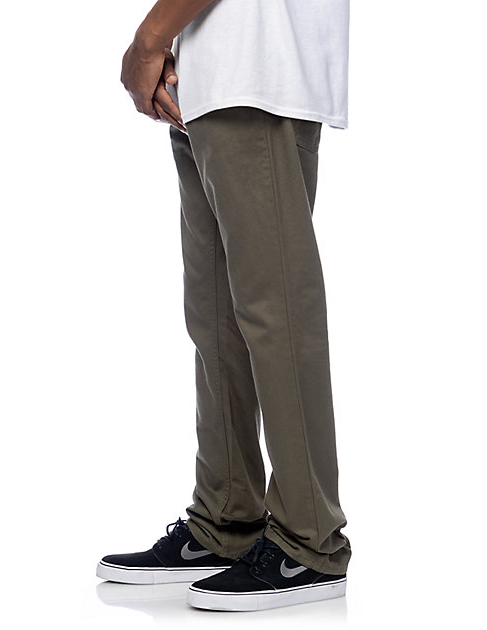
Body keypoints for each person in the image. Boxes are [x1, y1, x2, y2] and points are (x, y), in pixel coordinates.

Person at [97, 0, 352, 612]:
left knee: (275, 311)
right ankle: (226, 519)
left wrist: (148, 40)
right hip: (205, 83)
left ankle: (310, 541)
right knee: (215, 318)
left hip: (258, 73)